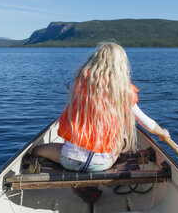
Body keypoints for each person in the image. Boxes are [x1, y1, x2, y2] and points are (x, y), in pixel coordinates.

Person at [32, 42, 170, 172]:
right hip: (103, 164)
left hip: (70, 161)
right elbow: (146, 122)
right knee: (122, 140)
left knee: (36, 150)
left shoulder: (77, 85)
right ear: (121, 67)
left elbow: (71, 85)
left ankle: (82, 185)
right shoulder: (125, 93)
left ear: (93, 62)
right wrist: (162, 133)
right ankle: (88, 185)